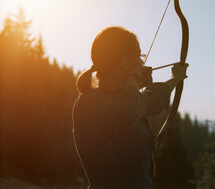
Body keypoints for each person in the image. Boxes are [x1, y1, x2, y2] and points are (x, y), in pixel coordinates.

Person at [72, 26, 188, 189]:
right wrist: (133, 79)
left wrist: (175, 79)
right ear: (125, 62)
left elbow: (150, 100)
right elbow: (126, 109)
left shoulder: (124, 99)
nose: (142, 61)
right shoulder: (89, 102)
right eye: (139, 55)